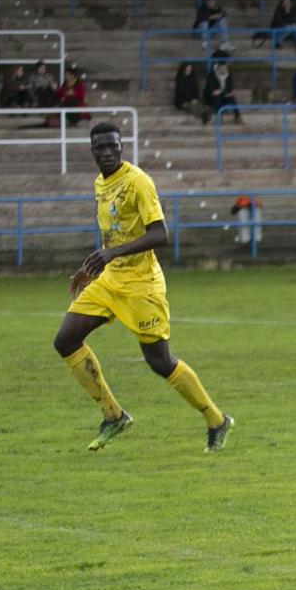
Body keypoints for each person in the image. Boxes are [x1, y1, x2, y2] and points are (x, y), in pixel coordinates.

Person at [53, 123, 232, 453]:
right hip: (109, 281)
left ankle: (216, 419)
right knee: (65, 340)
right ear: (92, 152)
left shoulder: (138, 182)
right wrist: (91, 267)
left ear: (122, 147)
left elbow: (160, 234)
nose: (106, 152)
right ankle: (113, 415)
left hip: (142, 286)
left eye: (112, 146)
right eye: (100, 148)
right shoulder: (100, 184)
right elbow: (114, 234)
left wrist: (111, 253)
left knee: (159, 362)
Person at [202, 59, 239, 125]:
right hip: (211, 97)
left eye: (225, 69)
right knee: (217, 97)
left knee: (232, 98)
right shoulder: (212, 75)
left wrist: (230, 92)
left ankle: (237, 117)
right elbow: (213, 91)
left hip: (223, 95)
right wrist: (225, 92)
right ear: (218, 69)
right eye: (222, 69)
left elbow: (230, 86)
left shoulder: (228, 74)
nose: (224, 71)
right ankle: (218, 117)